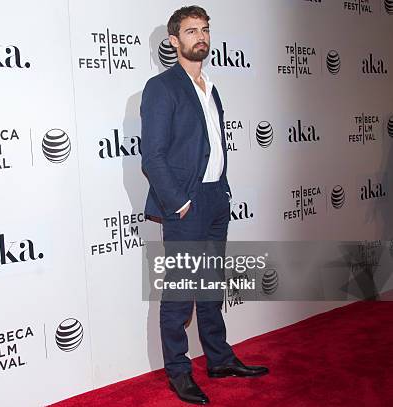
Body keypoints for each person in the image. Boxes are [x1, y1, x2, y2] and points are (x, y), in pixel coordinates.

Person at [140, 5, 268, 405]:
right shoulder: (161, 88)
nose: (202, 37)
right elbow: (153, 157)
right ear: (174, 41)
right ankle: (179, 372)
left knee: (211, 287)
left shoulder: (211, 88)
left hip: (215, 200)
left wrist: (223, 192)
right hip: (187, 205)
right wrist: (178, 203)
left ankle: (219, 358)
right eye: (192, 31)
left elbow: (213, 148)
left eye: (205, 30)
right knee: (180, 293)